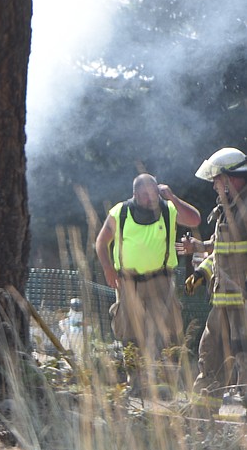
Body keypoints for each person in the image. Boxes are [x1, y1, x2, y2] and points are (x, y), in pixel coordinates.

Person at [95, 174, 201, 379]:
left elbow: (194, 219)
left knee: (165, 332)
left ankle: (162, 381)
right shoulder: (120, 212)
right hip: (128, 283)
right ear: (135, 194)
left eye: (154, 194)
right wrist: (108, 268)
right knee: (130, 333)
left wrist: (172, 197)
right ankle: (136, 382)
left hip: (161, 281)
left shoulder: (168, 209)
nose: (150, 199)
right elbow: (101, 242)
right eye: (145, 195)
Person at [182, 147, 247, 405]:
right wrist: (201, 271)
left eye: (217, 181)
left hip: (243, 303)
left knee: (243, 357)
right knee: (209, 353)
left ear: (231, 179)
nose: (214, 187)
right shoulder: (226, 211)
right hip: (223, 302)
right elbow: (222, 250)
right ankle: (202, 418)